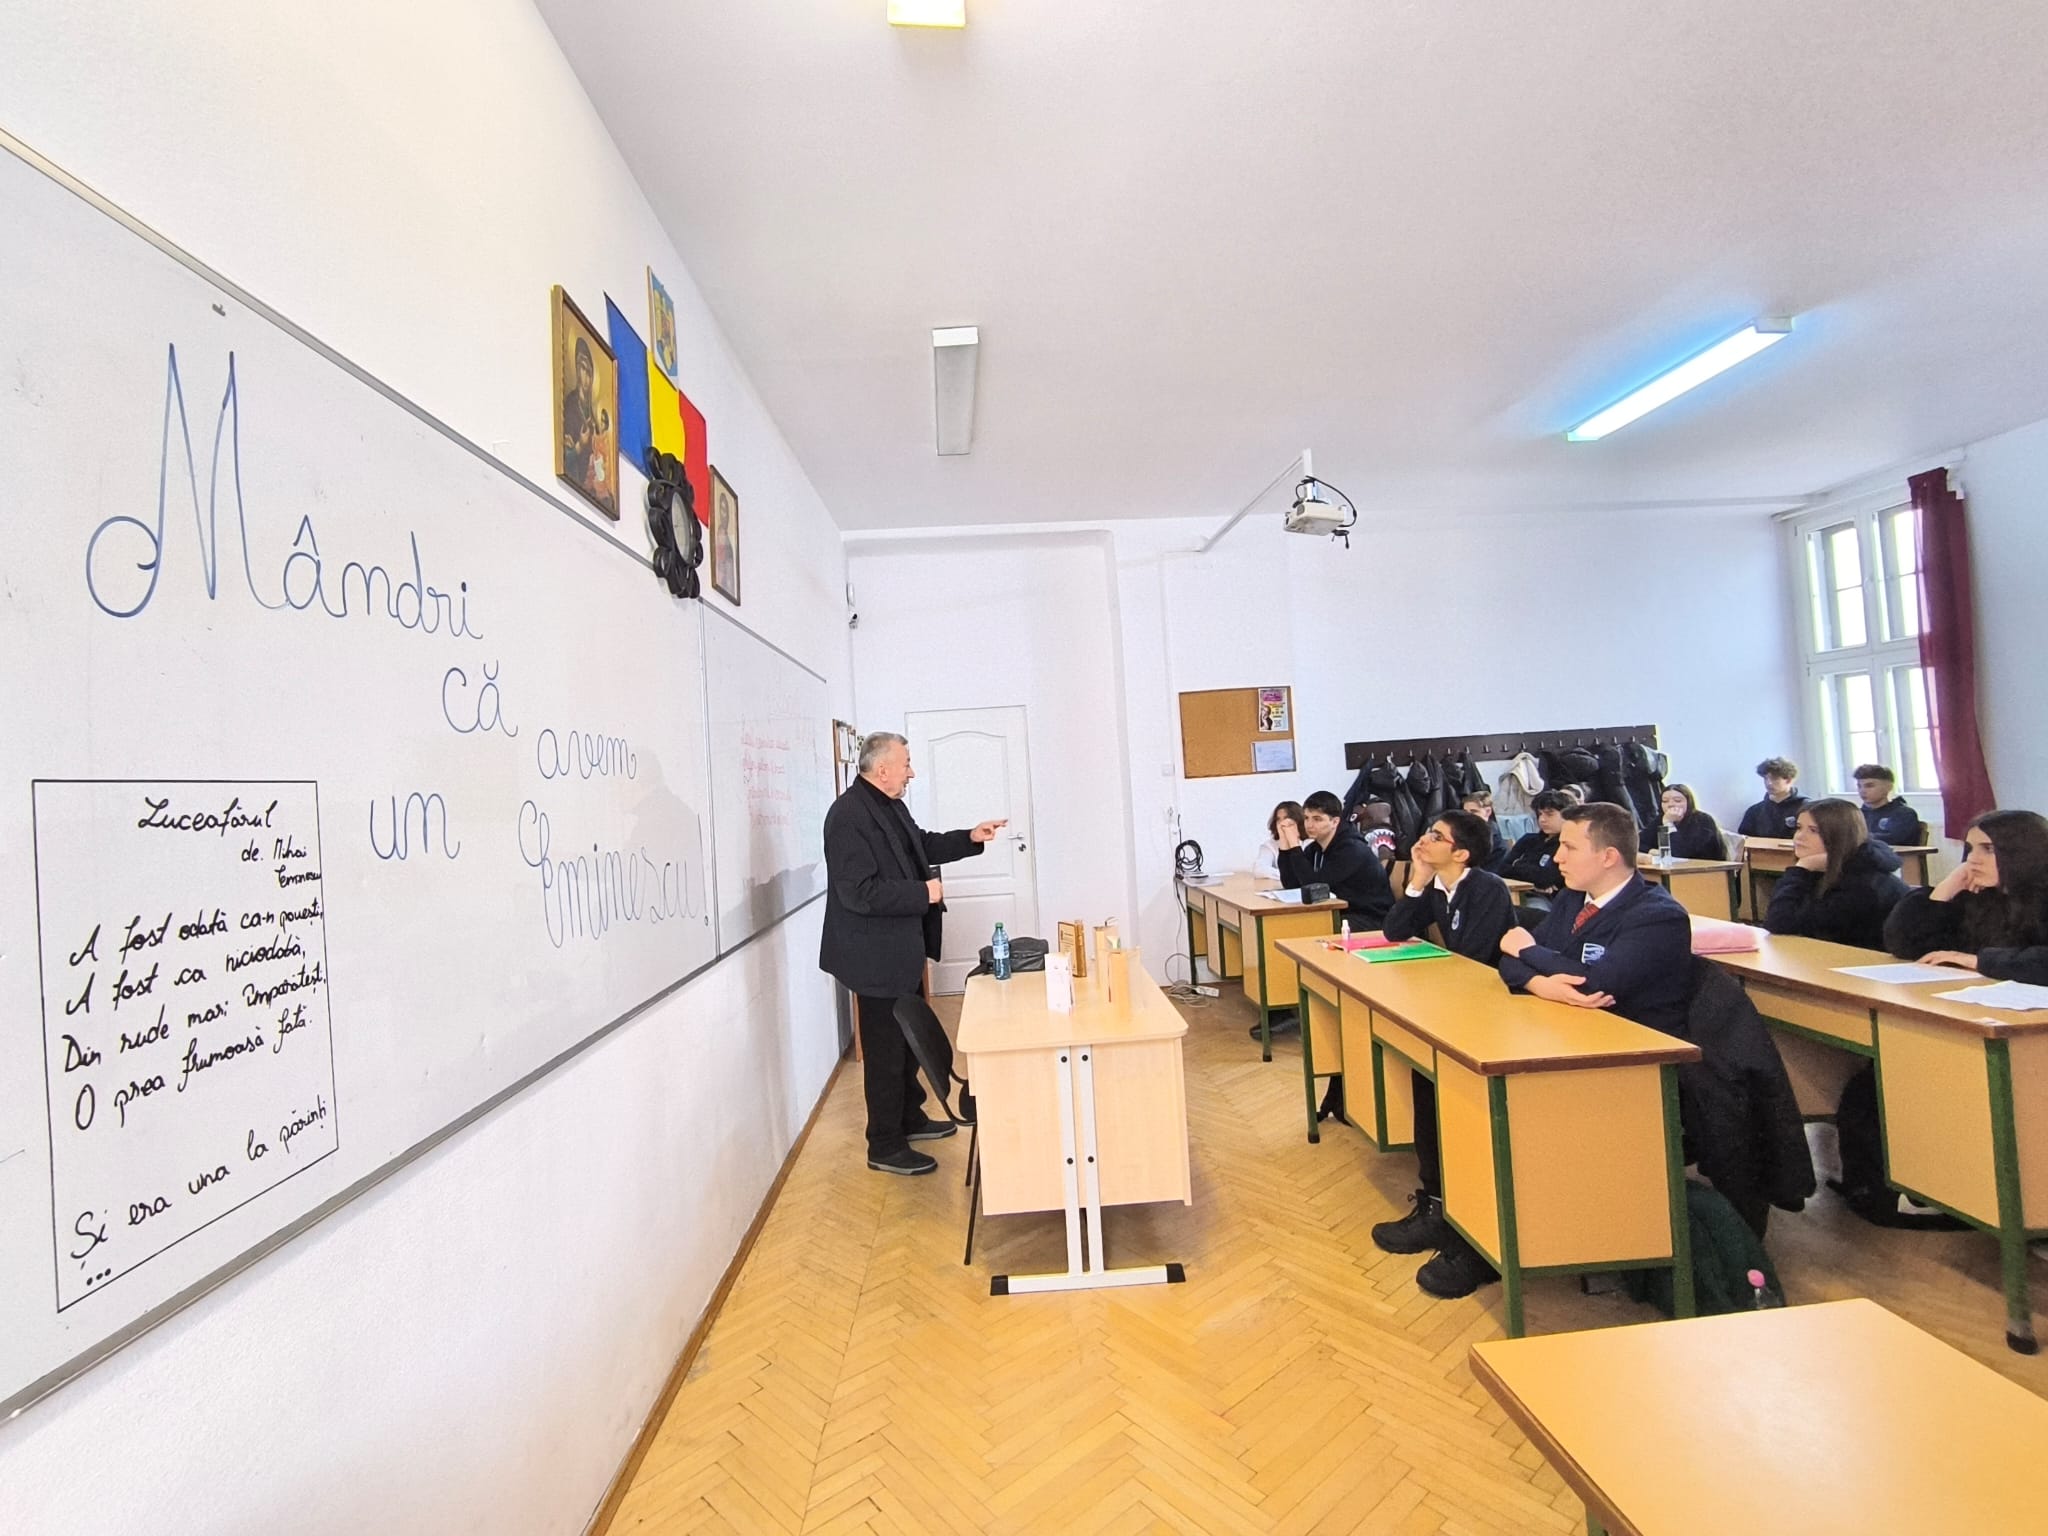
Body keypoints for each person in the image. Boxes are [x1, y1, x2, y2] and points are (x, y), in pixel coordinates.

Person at [818, 732, 1007, 1176]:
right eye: (906, 764)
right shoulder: (847, 816)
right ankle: (884, 1144)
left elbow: (919, 845)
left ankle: (910, 1118)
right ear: (882, 768)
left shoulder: (888, 805)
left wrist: (969, 837)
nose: (912, 772)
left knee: (905, 1044)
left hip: (900, 952)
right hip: (873, 959)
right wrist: (924, 893)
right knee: (885, 1053)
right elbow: (859, 893)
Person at [1369, 810, 1518, 1298]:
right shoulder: (1437, 886)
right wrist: (1416, 882)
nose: (1423, 840)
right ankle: (1435, 1202)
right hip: (1455, 1009)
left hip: (1491, 1019)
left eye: (1436, 836)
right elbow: (1395, 931)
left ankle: (1466, 1219)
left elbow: (1472, 957)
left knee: (1451, 1103)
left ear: (1462, 853)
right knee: (1424, 1084)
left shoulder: (1487, 889)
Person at [1499, 801, 1693, 1038]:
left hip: (1636, 1040)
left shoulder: (1658, 917)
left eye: (1569, 847)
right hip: (1570, 1025)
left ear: (1608, 857)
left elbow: (1596, 984)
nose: (1557, 858)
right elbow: (1508, 961)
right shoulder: (1571, 897)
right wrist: (1540, 985)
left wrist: (1527, 950)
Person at [1884, 809, 2048, 984]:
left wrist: (1979, 961)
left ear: (2024, 853)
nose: (1972, 859)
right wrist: (1944, 890)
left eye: (1988, 849)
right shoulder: (1976, 893)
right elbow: (1903, 945)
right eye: (1970, 848)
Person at [1763, 799, 1908, 949]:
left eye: (1813, 830)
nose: (1799, 837)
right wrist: (1802, 869)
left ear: (1840, 836)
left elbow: (1780, 922)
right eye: (1799, 828)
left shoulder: (1863, 885)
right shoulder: (1821, 868)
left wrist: (1800, 869)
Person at [1278, 790, 1394, 928]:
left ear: (1335, 822)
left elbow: (1314, 887)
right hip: (1341, 912)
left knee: (1305, 927)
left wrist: (1295, 845)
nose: (1309, 825)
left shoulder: (1351, 849)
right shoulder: (1315, 848)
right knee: (1290, 925)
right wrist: (1284, 844)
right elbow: (1291, 884)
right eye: (1306, 818)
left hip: (1370, 917)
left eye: (1317, 819)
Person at [1498, 789, 1572, 894]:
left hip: (1549, 898)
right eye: (1540, 814)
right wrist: (1534, 878)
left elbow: (1547, 878)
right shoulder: (1528, 840)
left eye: (1549, 814)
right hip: (1515, 892)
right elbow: (1502, 870)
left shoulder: (1568, 845)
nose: (1542, 819)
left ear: (1567, 816)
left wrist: (1517, 864)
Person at [1641, 783, 1727, 861]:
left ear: (1688, 802)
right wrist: (1655, 852)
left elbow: (1677, 853)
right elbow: (1638, 843)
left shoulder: (1703, 820)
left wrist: (1669, 824)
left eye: (1677, 800)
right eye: (1665, 801)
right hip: (1672, 869)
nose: (1670, 804)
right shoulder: (1660, 819)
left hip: (1706, 869)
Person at [1853, 764, 1926, 848]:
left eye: (1869, 786)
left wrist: (1857, 838)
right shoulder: (1856, 815)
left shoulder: (1903, 814)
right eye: (1859, 786)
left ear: (1888, 787)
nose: (1862, 791)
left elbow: (1894, 839)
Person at [1736, 756, 1807, 839]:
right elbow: (1744, 841)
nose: (1769, 783)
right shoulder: (1754, 811)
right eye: (1766, 778)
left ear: (1788, 780)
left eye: (1775, 778)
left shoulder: (1805, 808)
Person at [561, 334, 596, 488]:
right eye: (583, 368)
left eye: (589, 372)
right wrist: (580, 445)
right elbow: (565, 457)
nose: (586, 377)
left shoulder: (591, 412)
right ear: (576, 368)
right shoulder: (570, 405)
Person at [1253, 800, 1306, 880]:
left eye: (1286, 819)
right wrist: (1287, 875)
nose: (1281, 823)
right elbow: (1259, 870)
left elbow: (1308, 873)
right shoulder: (1270, 845)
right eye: (1278, 819)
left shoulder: (1310, 844)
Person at [1460, 789, 1511, 870]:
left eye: (1474, 812)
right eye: (1466, 812)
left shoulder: (1497, 840)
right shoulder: (1463, 832)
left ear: (1488, 812)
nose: (1468, 816)